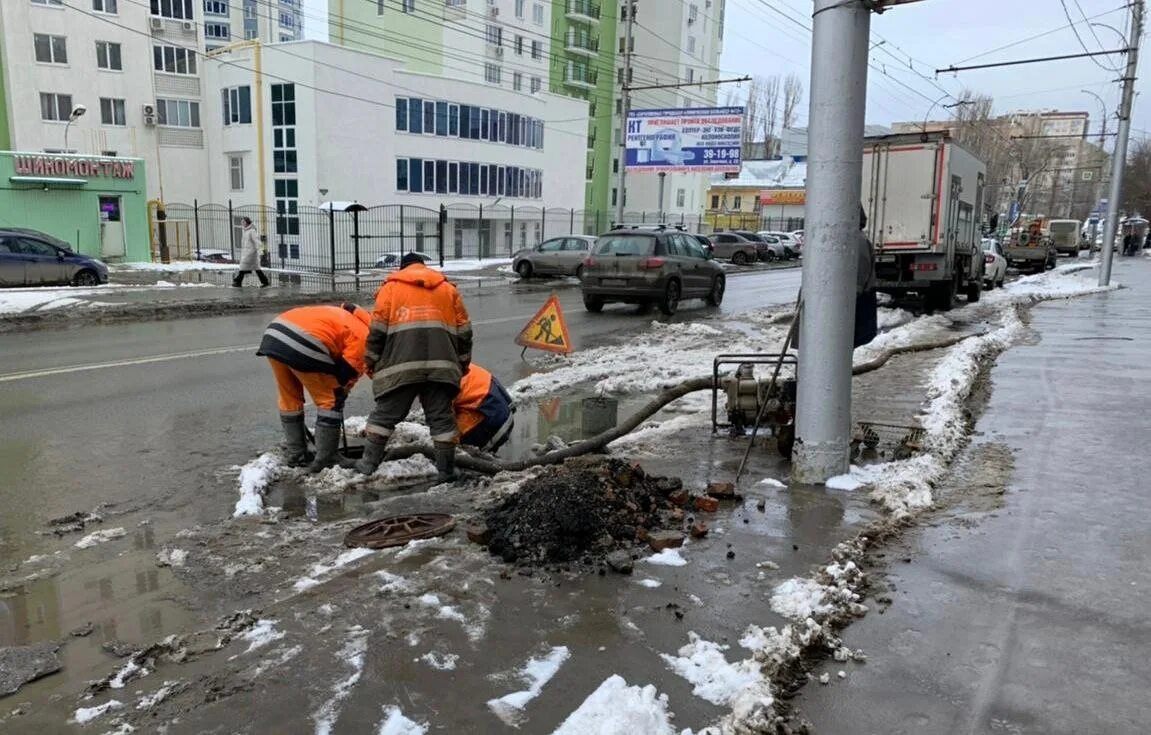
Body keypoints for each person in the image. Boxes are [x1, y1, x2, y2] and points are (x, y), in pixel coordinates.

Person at [356, 252, 473, 481]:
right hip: (441, 367)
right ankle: (446, 471)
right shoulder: (448, 290)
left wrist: (370, 361)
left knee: (384, 417)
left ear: (402, 269)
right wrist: (462, 363)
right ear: (423, 266)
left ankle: (368, 465)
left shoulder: (390, 289)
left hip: (400, 367)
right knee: (442, 420)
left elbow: (377, 332)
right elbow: (465, 332)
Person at [256, 303, 372, 472]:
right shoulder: (366, 336)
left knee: (289, 398)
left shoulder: (345, 316)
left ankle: (297, 454)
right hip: (304, 341)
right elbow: (347, 372)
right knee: (330, 401)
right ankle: (328, 457)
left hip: (274, 335)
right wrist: (342, 391)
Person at [455, 363, 515, 454]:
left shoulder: (438, 382)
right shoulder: (451, 361)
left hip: (492, 418)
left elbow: (443, 423)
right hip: (501, 408)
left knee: (452, 443)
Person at [854, 206, 879, 347]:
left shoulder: (856, 240)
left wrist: (854, 294)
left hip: (858, 303)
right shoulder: (856, 238)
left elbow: (859, 273)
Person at [234, 217, 270, 287]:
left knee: (243, 267)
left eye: (243, 222)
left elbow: (257, 242)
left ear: (247, 223)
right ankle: (265, 281)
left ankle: (238, 281)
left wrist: (261, 252)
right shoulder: (246, 231)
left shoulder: (252, 231)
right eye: (242, 222)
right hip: (248, 253)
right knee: (257, 269)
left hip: (251, 254)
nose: (242, 224)